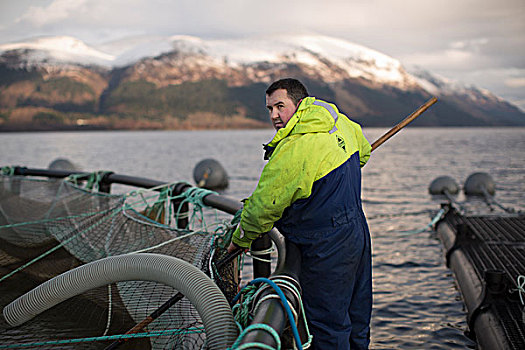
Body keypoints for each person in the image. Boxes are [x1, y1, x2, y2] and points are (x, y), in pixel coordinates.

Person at [227, 78, 372, 349]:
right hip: (357, 233)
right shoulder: (340, 121)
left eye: (280, 106)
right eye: (269, 109)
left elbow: (262, 207)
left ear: (300, 103)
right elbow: (363, 153)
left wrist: (240, 241)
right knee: (357, 317)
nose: (274, 116)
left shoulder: (295, 148)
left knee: (327, 326)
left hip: (325, 245)